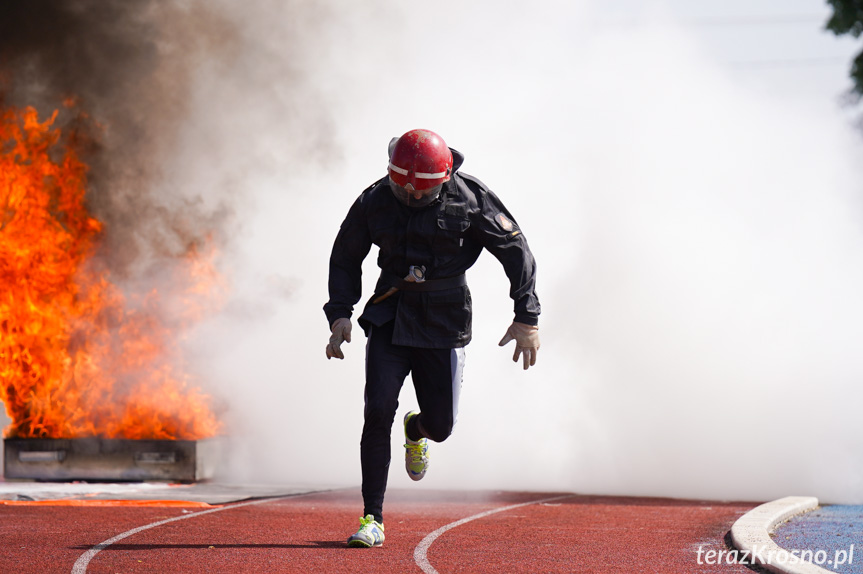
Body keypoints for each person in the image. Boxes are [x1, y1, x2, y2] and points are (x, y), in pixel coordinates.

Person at [323, 128, 540, 548]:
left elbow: (517, 251)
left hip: (444, 319)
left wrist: (526, 317)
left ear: (441, 181)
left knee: (441, 426)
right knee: (377, 409)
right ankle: (373, 517)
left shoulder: (471, 198)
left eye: (419, 195)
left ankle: (417, 429)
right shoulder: (374, 198)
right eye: (402, 192)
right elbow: (345, 256)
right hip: (391, 311)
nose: (410, 200)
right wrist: (340, 313)